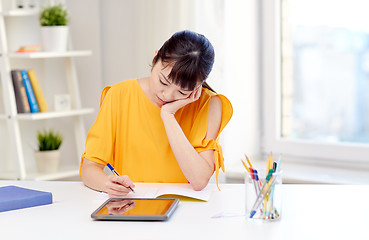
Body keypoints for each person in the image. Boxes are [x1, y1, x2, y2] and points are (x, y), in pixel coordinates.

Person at [80, 30, 233, 197]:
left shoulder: (208, 104)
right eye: (163, 81)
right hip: (132, 206)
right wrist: (106, 184)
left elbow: (199, 180)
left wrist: (168, 115)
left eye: (182, 92)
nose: (166, 96)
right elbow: (89, 168)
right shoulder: (118, 95)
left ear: (197, 87)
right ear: (155, 58)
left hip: (186, 210)